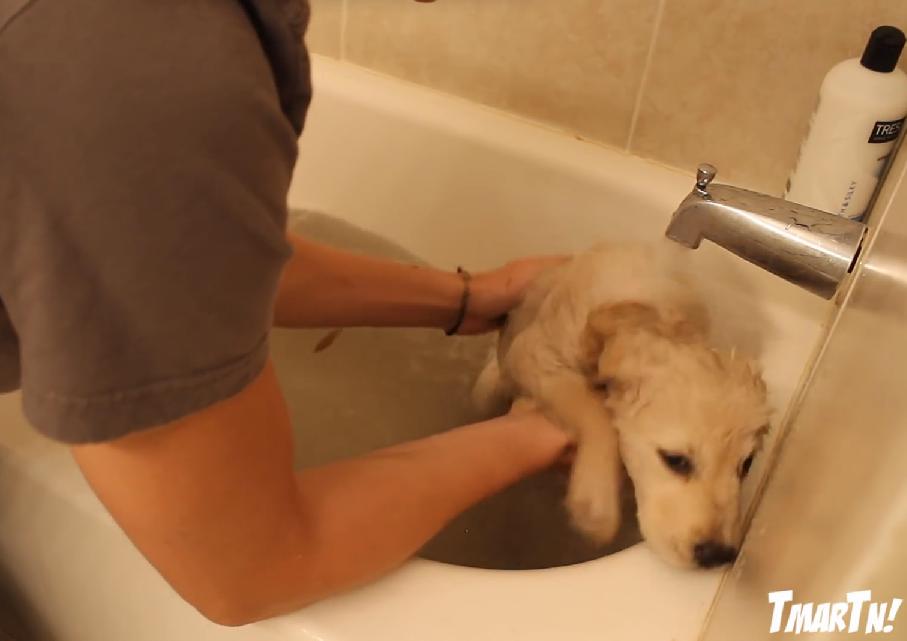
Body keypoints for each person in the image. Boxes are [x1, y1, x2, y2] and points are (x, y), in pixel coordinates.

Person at [0, 0, 571, 625]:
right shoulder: (128, 62)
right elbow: (248, 570)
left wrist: (466, 297)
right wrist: (545, 429)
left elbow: (182, 258)